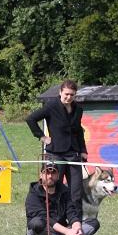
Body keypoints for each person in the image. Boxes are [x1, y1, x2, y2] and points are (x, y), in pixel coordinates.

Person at [26, 79, 88, 217]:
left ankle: (76, 223)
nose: (69, 97)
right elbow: (30, 119)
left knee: (76, 192)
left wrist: (83, 150)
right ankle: (54, 221)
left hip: (73, 154)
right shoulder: (51, 106)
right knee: (54, 188)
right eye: (66, 94)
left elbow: (78, 131)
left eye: (72, 95)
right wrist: (42, 137)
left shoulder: (78, 109)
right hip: (55, 154)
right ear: (60, 92)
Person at [25, 161, 99, 235]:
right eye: (47, 173)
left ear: (58, 175)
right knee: (37, 223)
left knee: (93, 223)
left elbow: (71, 212)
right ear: (41, 175)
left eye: (53, 173)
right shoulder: (34, 193)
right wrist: (66, 231)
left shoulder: (65, 191)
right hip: (43, 230)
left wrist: (76, 226)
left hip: (62, 228)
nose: (50, 176)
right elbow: (44, 217)